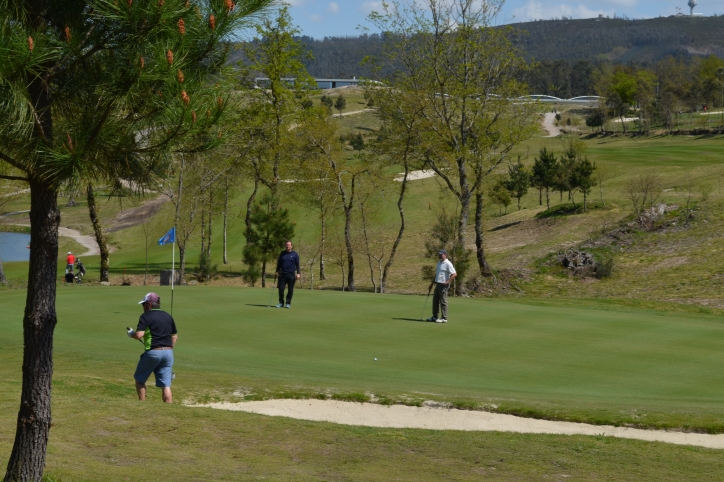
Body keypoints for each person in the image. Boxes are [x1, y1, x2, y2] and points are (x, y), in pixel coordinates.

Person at [128, 292, 178, 403]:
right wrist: (168, 350)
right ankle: (169, 409)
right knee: (166, 385)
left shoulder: (146, 316)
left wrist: (131, 334)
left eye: (144, 304)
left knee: (139, 379)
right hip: (169, 353)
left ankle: (142, 404)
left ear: (149, 304)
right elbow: (174, 337)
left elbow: (139, 335)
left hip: (153, 353)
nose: (143, 307)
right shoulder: (168, 316)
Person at [427, 249, 457, 323]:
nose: (439, 255)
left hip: (444, 285)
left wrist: (447, 281)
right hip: (437, 284)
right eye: (439, 254)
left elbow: (454, 274)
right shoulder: (439, 263)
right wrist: (431, 283)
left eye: (441, 254)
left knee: (443, 301)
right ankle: (435, 316)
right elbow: (437, 274)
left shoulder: (448, 263)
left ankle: (444, 318)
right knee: (435, 301)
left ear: (445, 254)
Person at [275, 240, 300, 308]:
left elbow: (297, 264)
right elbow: (279, 264)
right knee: (281, 289)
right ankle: (281, 302)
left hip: (291, 274)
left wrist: (298, 273)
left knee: (290, 290)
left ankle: (288, 303)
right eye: (286, 245)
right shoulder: (282, 254)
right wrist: (276, 271)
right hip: (283, 274)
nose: (287, 246)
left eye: (289, 245)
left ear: (291, 246)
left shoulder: (295, 254)